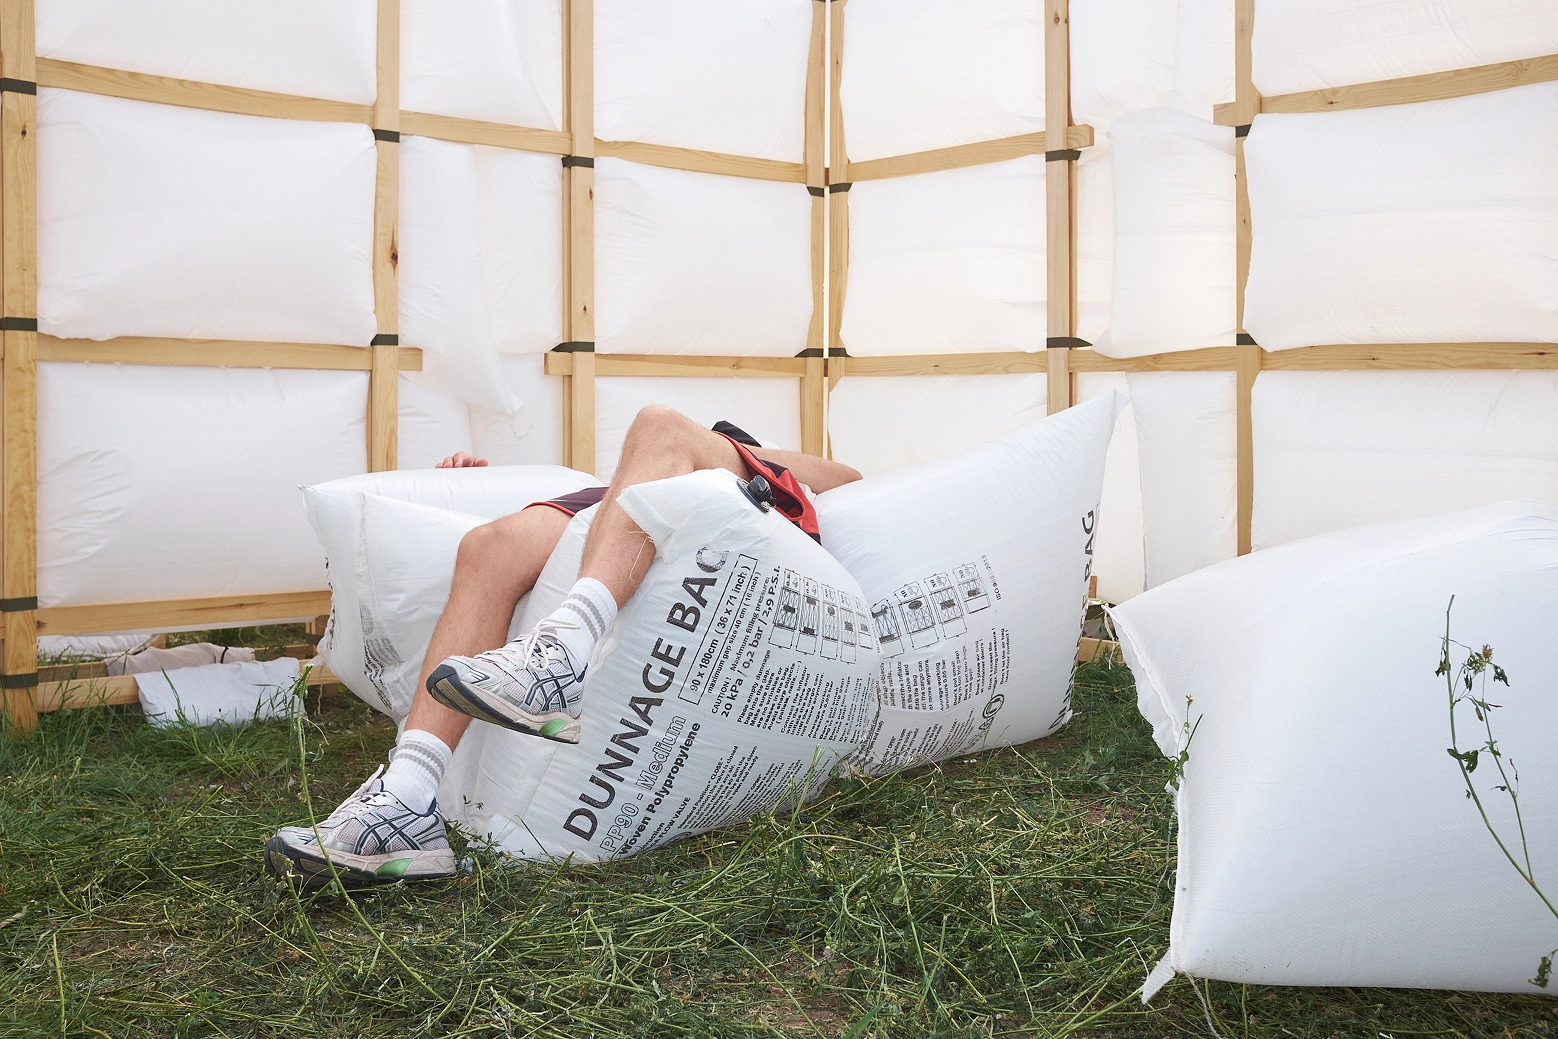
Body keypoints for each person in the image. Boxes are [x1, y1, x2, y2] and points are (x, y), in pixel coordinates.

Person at [264, 407, 862, 886]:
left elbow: (851, 481)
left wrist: (738, 450)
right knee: (487, 546)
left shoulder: (734, 449)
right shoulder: (634, 470)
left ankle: (562, 659)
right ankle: (407, 800)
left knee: (658, 421)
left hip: (743, 499)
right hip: (608, 500)